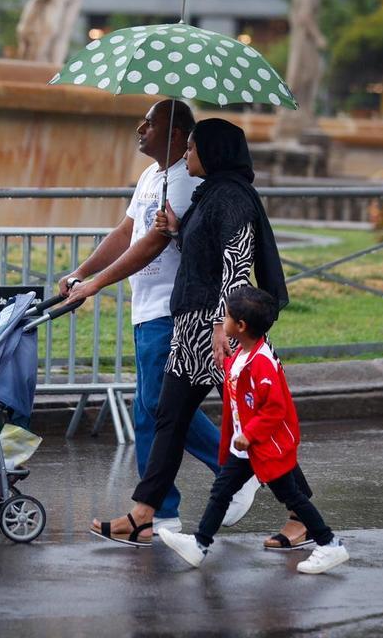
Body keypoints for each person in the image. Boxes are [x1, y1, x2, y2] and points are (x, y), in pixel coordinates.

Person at [60, 100, 257, 535]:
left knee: (160, 405)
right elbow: (128, 232)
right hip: (146, 307)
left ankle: (234, 467)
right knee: (147, 411)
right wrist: (81, 271)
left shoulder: (188, 180)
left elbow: (152, 243)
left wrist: (96, 285)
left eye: (150, 123)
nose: (140, 128)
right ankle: (158, 514)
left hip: (175, 308)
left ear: (174, 133)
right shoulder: (153, 176)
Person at [90, 118, 288, 547]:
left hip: (215, 328)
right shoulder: (208, 195)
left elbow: (235, 267)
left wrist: (222, 324)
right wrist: (177, 232)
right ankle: (146, 513)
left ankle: (301, 514)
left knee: (255, 425)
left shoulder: (232, 198)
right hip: (191, 323)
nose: (186, 156)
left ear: (213, 151)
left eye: (193, 148)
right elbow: (203, 258)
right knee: (169, 417)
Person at [159, 286, 350, 574]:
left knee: (292, 496)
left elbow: (275, 409)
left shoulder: (262, 363)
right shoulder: (242, 357)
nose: (222, 320)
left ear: (240, 326)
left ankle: (330, 545)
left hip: (266, 446)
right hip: (247, 448)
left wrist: (249, 434)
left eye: (226, 316)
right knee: (221, 491)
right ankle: (199, 545)